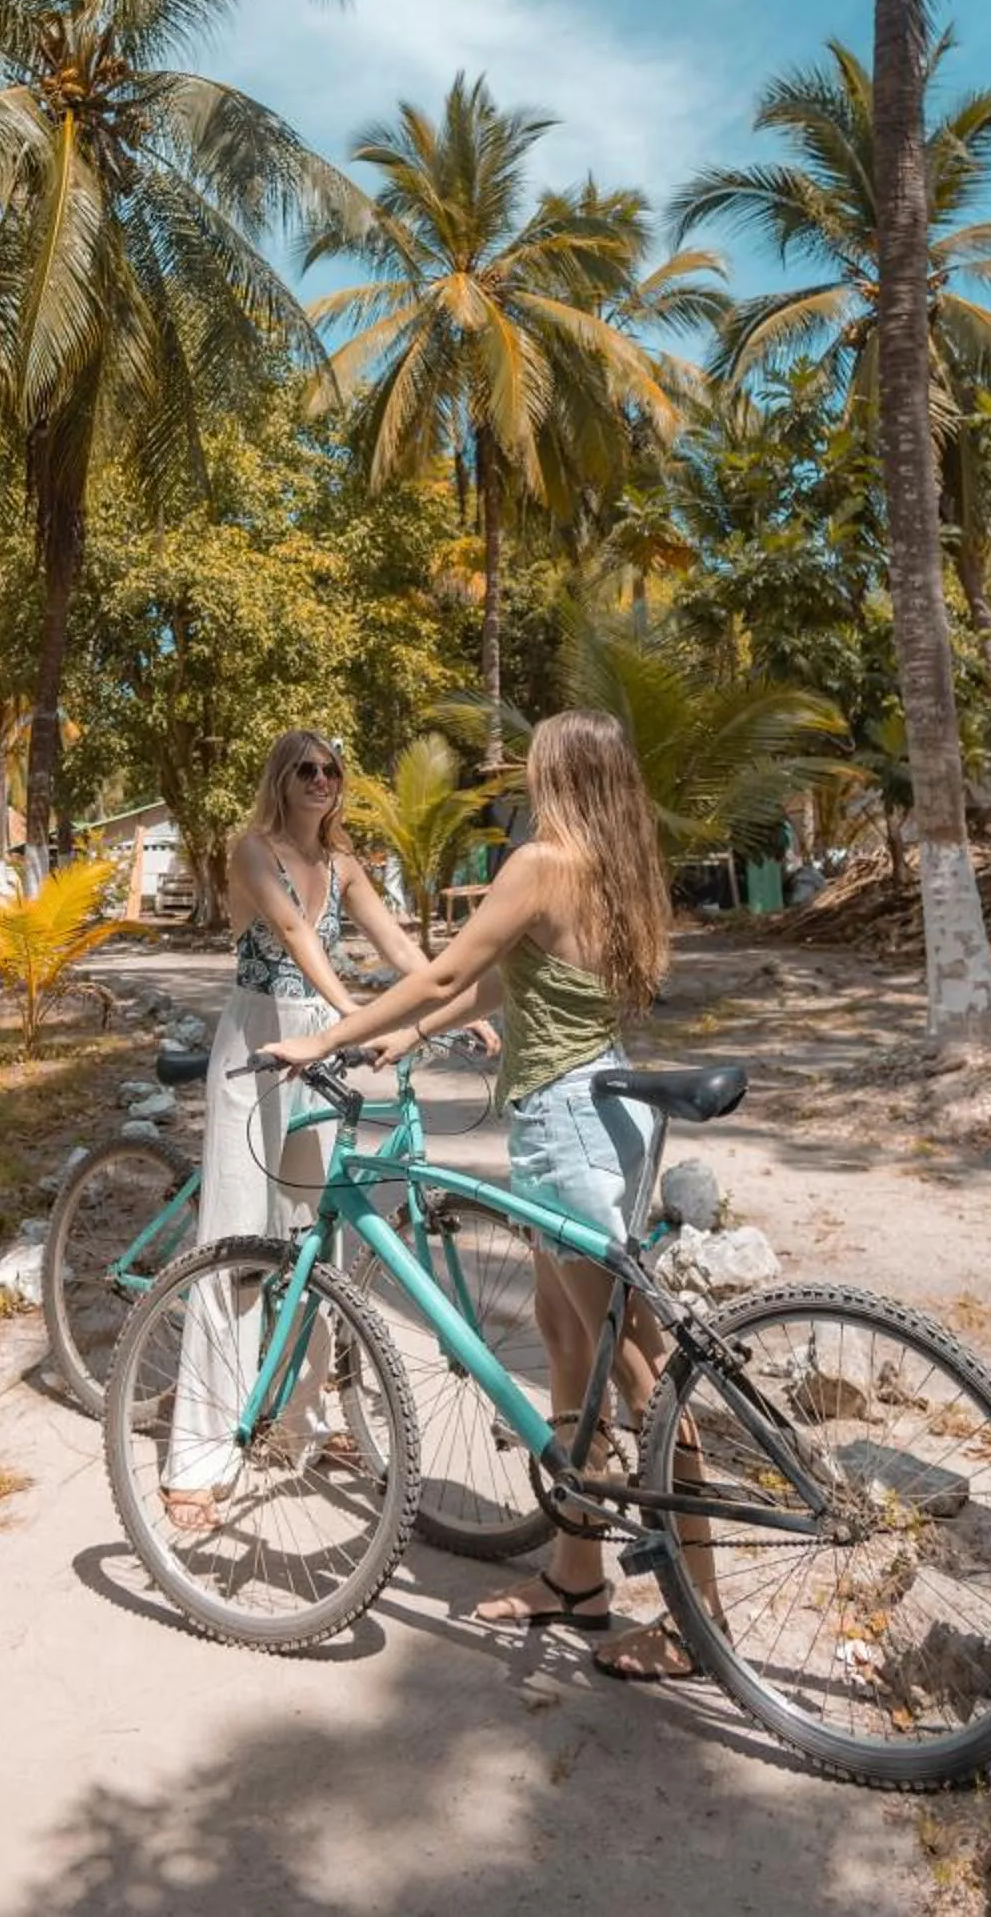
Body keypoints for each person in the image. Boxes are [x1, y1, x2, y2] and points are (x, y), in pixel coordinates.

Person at [260, 705, 710, 1680]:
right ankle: (576, 1574)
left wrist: (326, 1038)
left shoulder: (539, 865)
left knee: (638, 1371)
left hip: (567, 1127)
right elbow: (503, 983)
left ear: (558, 776)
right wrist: (406, 1038)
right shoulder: (604, 868)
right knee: (565, 1344)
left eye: (533, 767)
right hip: (601, 1108)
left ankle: (694, 1622)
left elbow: (449, 970)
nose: (521, 783)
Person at [161, 727, 471, 1530]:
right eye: (306, 768)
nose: (321, 779)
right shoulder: (251, 850)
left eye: (333, 769)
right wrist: (353, 1020)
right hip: (265, 1039)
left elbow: (401, 946)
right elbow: (297, 941)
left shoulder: (345, 866)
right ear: (281, 778)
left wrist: (455, 1009)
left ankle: (301, 1419)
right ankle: (197, 1451)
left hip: (321, 1044)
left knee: (316, 1239)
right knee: (234, 1241)